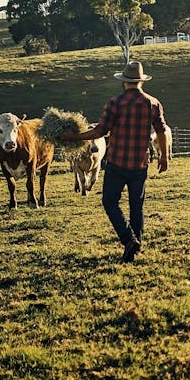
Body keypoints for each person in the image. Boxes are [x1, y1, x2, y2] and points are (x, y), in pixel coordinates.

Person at [61, 61, 169, 262]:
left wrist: (72, 137)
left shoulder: (115, 103)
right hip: (140, 164)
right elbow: (162, 130)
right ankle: (135, 247)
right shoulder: (153, 103)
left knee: (109, 202)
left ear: (124, 82)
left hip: (117, 163)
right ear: (141, 82)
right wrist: (164, 156)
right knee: (136, 206)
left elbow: (99, 131)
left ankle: (129, 240)